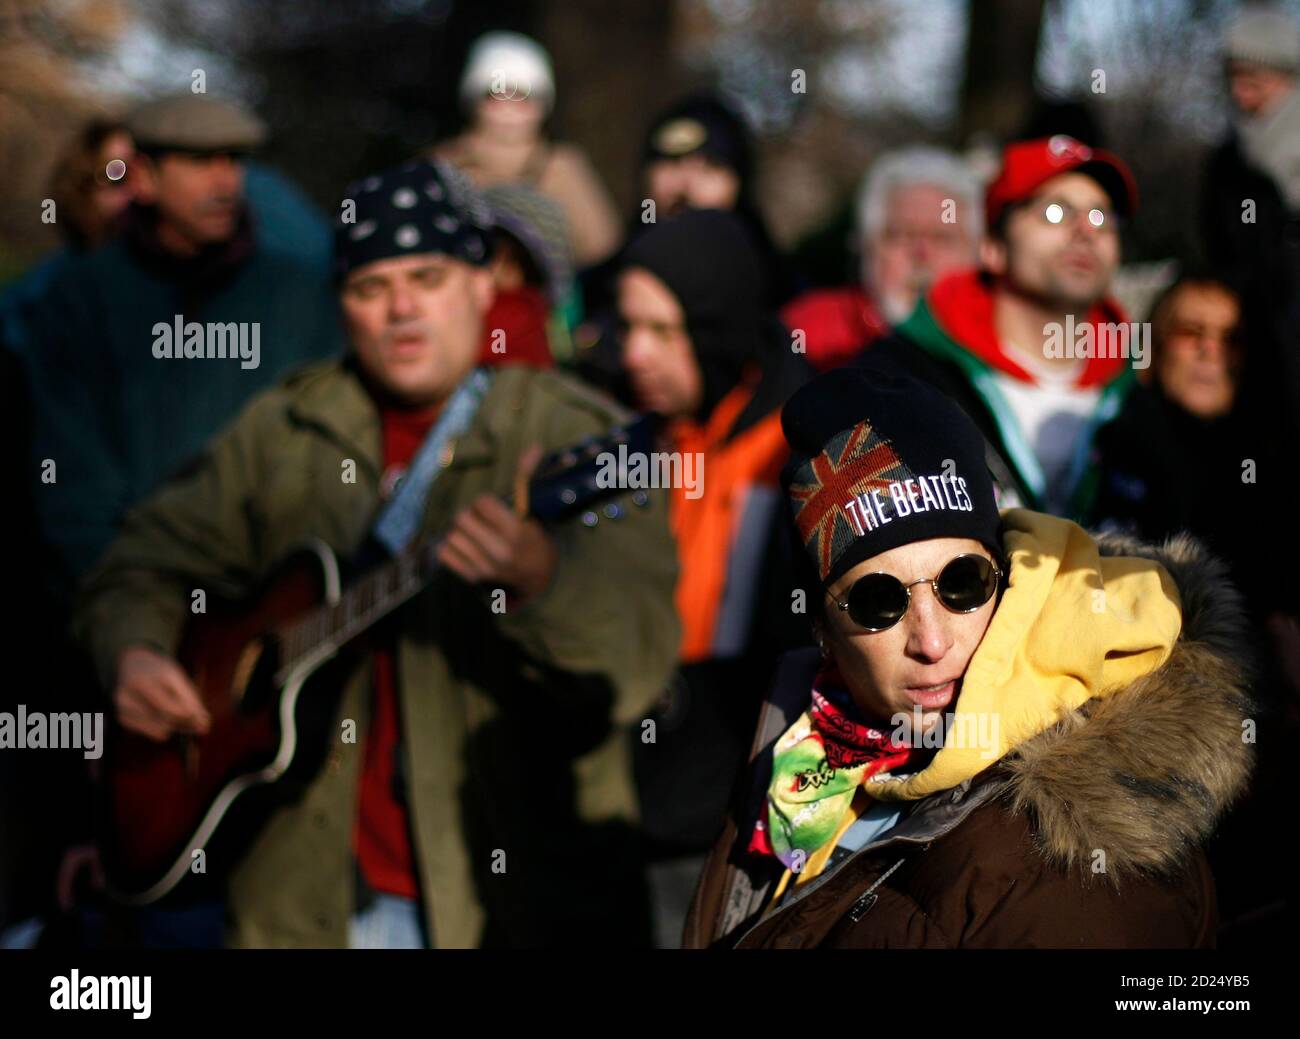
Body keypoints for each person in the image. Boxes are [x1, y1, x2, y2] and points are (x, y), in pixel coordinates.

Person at [71, 159, 681, 948]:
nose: (400, 309)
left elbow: (637, 665)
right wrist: (136, 649)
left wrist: (540, 581)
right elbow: (140, 560)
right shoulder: (286, 427)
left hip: (510, 909)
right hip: (299, 910)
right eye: (368, 287)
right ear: (342, 305)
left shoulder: (575, 436)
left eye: (426, 277)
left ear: (480, 283)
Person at [684, 363, 1254, 948]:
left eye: (962, 583)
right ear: (822, 629)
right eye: (876, 601)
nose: (931, 641)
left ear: (1007, 579)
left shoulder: (1084, 861)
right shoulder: (800, 740)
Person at [19, 93, 344, 610]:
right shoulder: (79, 299)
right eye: (198, 162)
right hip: (121, 605)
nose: (224, 183)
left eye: (234, 161)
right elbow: (71, 482)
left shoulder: (300, 297)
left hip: (271, 607)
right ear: (144, 179)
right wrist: (124, 619)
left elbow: (332, 462)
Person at [615, 209, 812, 946]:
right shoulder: (636, 436)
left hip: (751, 810)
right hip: (644, 802)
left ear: (716, 325)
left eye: (662, 331)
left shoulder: (795, 444)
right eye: (627, 326)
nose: (635, 353)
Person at [864, 135, 1139, 518]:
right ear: (993, 247)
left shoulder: (1142, 388)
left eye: (1101, 217)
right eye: (1056, 212)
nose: (1085, 231)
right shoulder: (903, 380)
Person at [782, 146, 982, 372]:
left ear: (978, 252)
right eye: (901, 236)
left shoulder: (1003, 344)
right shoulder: (806, 331)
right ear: (866, 245)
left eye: (942, 238)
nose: (922, 254)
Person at [431, 31, 620, 268]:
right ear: (475, 100)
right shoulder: (444, 164)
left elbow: (601, 246)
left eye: (522, 98)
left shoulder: (564, 166)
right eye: (496, 97)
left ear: (542, 105)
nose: (509, 110)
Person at [1199, 3, 1300, 447]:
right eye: (1235, 80)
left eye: (1254, 80)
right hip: (1254, 362)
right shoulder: (1226, 166)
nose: (1242, 95)